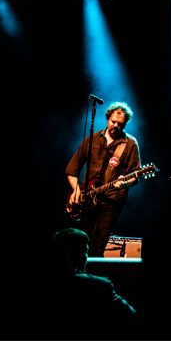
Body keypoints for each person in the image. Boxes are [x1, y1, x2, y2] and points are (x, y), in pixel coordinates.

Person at [66, 101, 142, 256]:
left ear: (125, 124)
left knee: (98, 246)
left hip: (111, 201)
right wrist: (76, 191)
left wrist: (124, 184)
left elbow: (136, 176)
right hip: (87, 199)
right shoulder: (92, 139)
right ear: (108, 118)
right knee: (82, 242)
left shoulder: (130, 144)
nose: (116, 126)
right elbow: (72, 170)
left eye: (120, 124)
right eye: (113, 122)